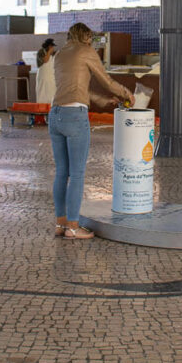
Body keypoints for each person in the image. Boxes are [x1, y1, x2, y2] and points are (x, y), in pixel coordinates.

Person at [50, 23, 132, 239]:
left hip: (56, 115)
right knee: (77, 174)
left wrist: (104, 101)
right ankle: (73, 227)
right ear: (85, 36)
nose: (91, 42)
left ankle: (60, 223)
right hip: (75, 117)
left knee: (61, 172)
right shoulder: (86, 51)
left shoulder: (59, 54)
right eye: (90, 38)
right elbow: (106, 80)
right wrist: (126, 94)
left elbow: (78, 89)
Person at [35, 38, 57, 104]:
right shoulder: (41, 52)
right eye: (52, 47)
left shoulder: (54, 54)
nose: (53, 48)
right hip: (43, 77)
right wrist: (49, 52)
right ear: (49, 46)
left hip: (51, 78)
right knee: (42, 93)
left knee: (51, 94)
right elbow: (45, 60)